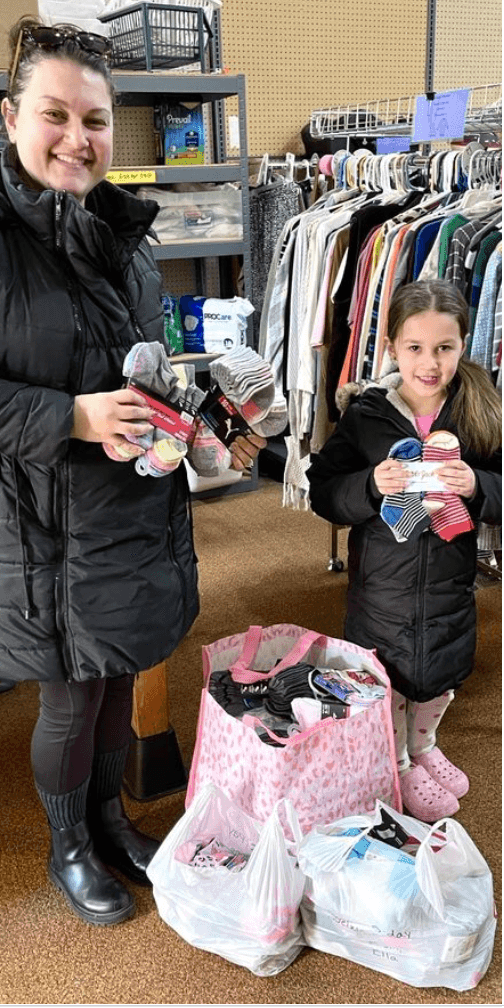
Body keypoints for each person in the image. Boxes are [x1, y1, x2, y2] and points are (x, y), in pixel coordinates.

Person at [0, 17, 264, 926]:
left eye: (97, 119)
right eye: (55, 115)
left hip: (130, 507)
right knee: (73, 697)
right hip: (43, 523)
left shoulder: (126, 231)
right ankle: (67, 843)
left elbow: (144, 369)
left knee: (120, 675)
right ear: (9, 118)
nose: (79, 138)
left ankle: (109, 822)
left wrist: (204, 429)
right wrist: (70, 416)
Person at [308, 279, 502, 822]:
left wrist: (477, 486)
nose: (430, 364)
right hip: (382, 592)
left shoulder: (478, 408)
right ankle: (392, 760)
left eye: (445, 347)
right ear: (392, 347)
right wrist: (370, 485)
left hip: (449, 585)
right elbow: (325, 489)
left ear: (465, 344)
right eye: (415, 348)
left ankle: (422, 746)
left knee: (439, 676)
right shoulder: (367, 416)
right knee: (386, 683)